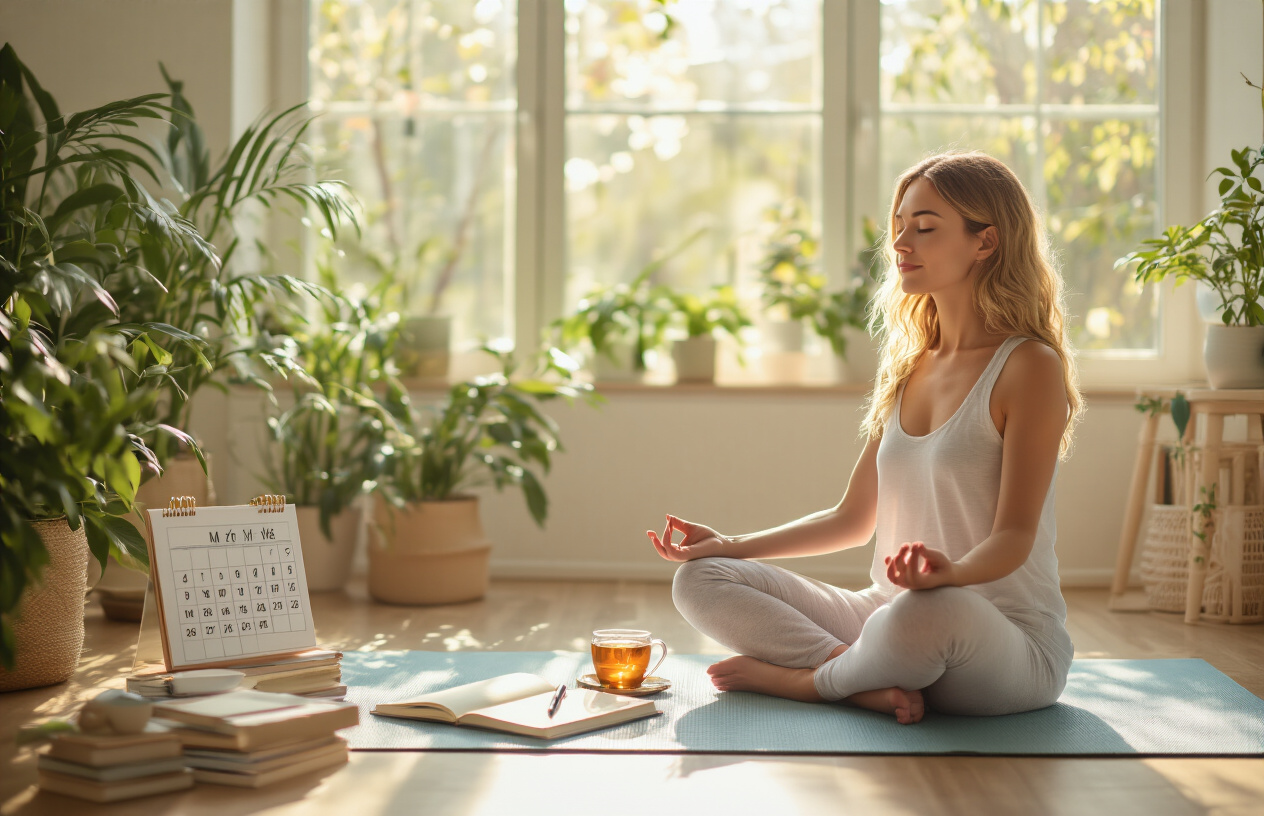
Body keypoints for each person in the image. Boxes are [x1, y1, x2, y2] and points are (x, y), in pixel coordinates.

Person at [648, 151, 1084, 724]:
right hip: (886, 620)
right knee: (699, 579)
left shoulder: (1030, 366)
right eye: (899, 227)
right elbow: (851, 519)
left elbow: (1015, 536)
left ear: (985, 242)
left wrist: (948, 574)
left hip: (999, 644)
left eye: (925, 228)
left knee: (926, 612)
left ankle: (808, 683)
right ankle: (851, 676)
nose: (901, 243)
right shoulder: (909, 367)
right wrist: (728, 545)